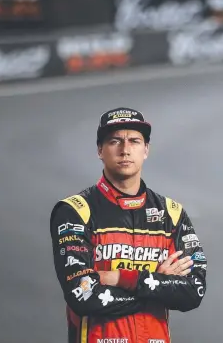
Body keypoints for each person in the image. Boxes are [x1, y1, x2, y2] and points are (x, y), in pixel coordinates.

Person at [49, 107, 207, 343]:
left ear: (146, 150)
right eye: (115, 141)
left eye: (134, 141)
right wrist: (156, 283)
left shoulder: (172, 214)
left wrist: (119, 278)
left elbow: (193, 292)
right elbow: (83, 295)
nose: (125, 150)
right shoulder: (75, 211)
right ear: (100, 150)